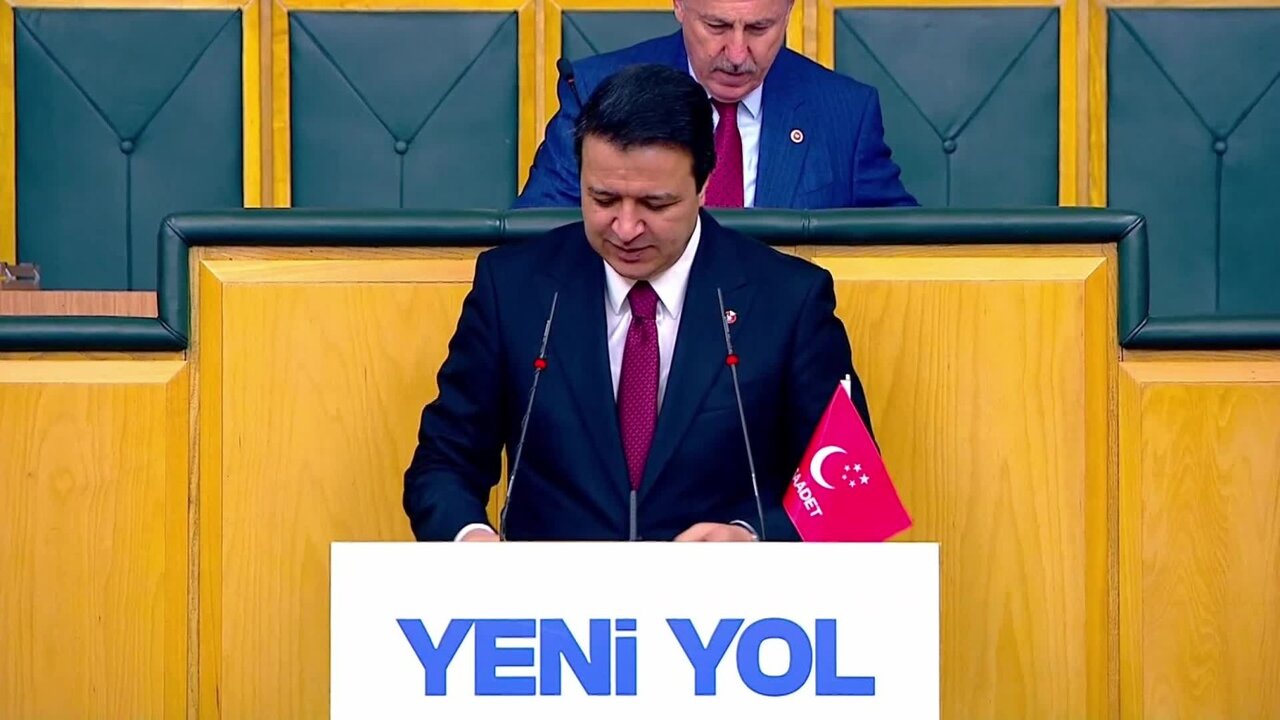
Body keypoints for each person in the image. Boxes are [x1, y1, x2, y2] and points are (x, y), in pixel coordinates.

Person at [403, 64, 874, 542]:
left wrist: (752, 539)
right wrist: (470, 539)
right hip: (551, 589)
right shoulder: (514, 288)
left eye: (656, 204)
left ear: (704, 184)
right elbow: (443, 463)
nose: (626, 228)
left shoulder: (788, 301)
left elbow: (851, 489)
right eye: (603, 199)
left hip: (721, 590)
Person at [512, 0, 916, 210]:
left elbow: (903, 251)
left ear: (789, 11)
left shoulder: (846, 113)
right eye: (717, 26)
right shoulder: (595, 90)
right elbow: (538, 232)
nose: (737, 54)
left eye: (759, 28)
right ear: (679, 6)